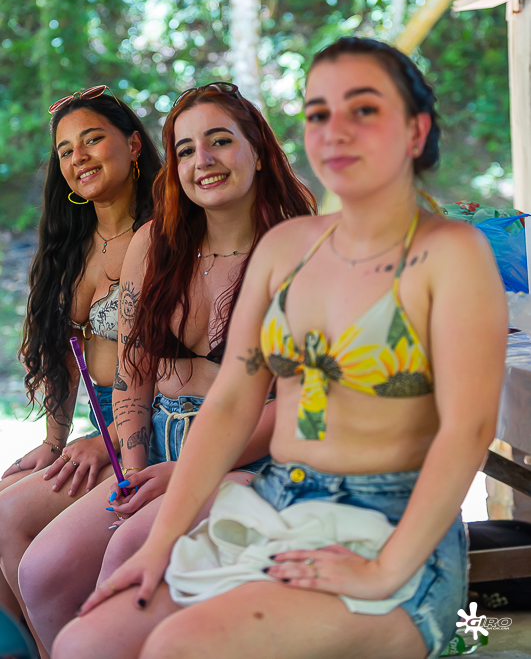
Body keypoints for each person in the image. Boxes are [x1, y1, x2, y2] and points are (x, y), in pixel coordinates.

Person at [52, 38, 507, 659]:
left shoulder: (451, 254)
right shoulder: (287, 249)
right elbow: (232, 402)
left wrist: (386, 569)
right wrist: (158, 542)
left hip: (389, 529)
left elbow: (469, 429)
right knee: (86, 643)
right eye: (319, 113)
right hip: (276, 503)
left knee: (177, 647)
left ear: (415, 130)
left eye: (364, 109)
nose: (336, 130)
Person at [18, 82, 317, 654]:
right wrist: (133, 471)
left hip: (252, 457)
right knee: (44, 571)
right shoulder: (156, 244)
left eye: (220, 141)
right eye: (185, 149)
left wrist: (185, 472)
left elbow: (300, 405)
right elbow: (133, 372)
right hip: (155, 443)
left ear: (258, 150)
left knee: (123, 559)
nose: (203, 160)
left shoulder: (299, 253)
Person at [0, 87, 160, 651]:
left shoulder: (166, 234)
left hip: (153, 427)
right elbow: (63, 358)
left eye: (92, 139)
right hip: (102, 427)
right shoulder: (70, 246)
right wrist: (55, 440)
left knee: (9, 520)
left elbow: (176, 366)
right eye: (66, 150)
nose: (79, 157)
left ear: (133, 145)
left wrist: (110, 437)